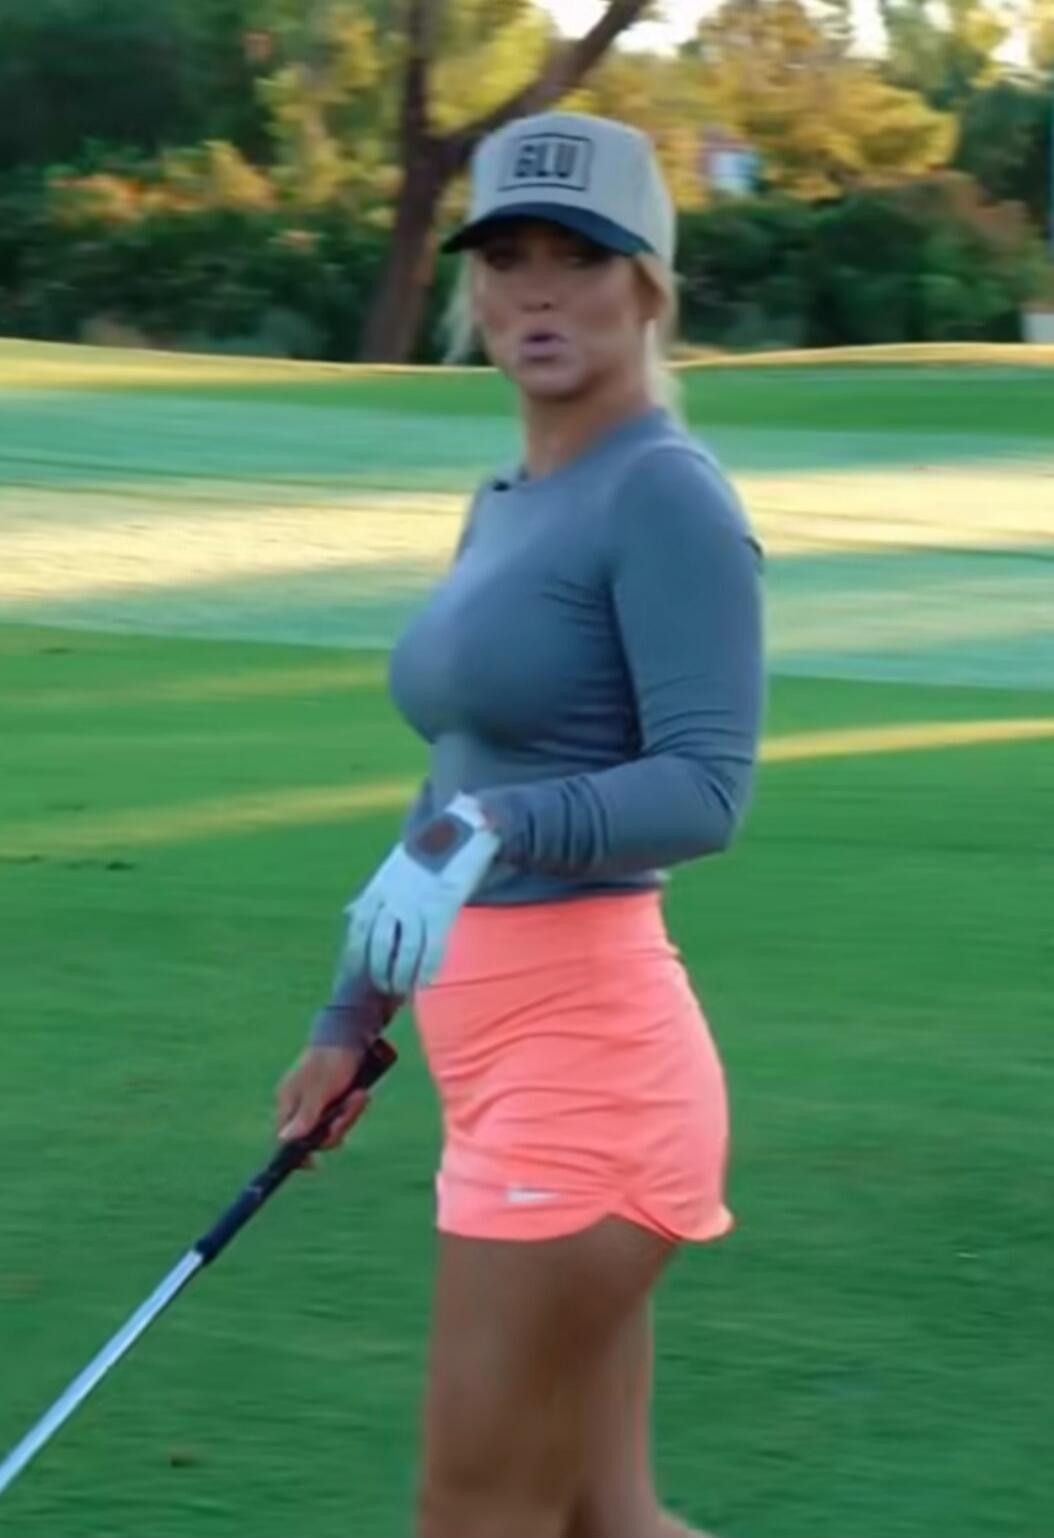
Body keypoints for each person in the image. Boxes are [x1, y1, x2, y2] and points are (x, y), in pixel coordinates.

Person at [276, 110, 765, 1538]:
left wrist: (494, 822)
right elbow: (450, 783)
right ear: (470, 286)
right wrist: (348, 1014)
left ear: (646, 286)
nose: (536, 295)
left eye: (579, 259)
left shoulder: (665, 495)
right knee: (603, 1518)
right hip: (492, 1066)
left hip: (591, 1082)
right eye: (506, 259)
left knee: (474, 1511)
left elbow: (705, 787)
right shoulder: (505, 502)